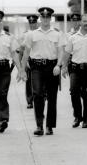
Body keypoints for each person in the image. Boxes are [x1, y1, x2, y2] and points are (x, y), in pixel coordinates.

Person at [21, 7, 65, 136]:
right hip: (37, 68)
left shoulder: (57, 34)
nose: (45, 19)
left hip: (52, 67)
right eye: (43, 17)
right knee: (37, 94)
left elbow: (61, 51)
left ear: (50, 18)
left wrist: (58, 65)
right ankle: (39, 125)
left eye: (47, 17)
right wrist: (23, 70)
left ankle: (49, 125)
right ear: (40, 18)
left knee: (52, 97)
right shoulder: (32, 34)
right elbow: (26, 53)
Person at [18, 15, 39, 109]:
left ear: (37, 23)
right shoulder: (25, 34)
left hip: (38, 60)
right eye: (31, 23)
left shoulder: (40, 33)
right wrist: (23, 63)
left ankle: (40, 97)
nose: (32, 25)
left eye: (34, 22)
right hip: (29, 60)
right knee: (29, 81)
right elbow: (21, 50)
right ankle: (30, 101)